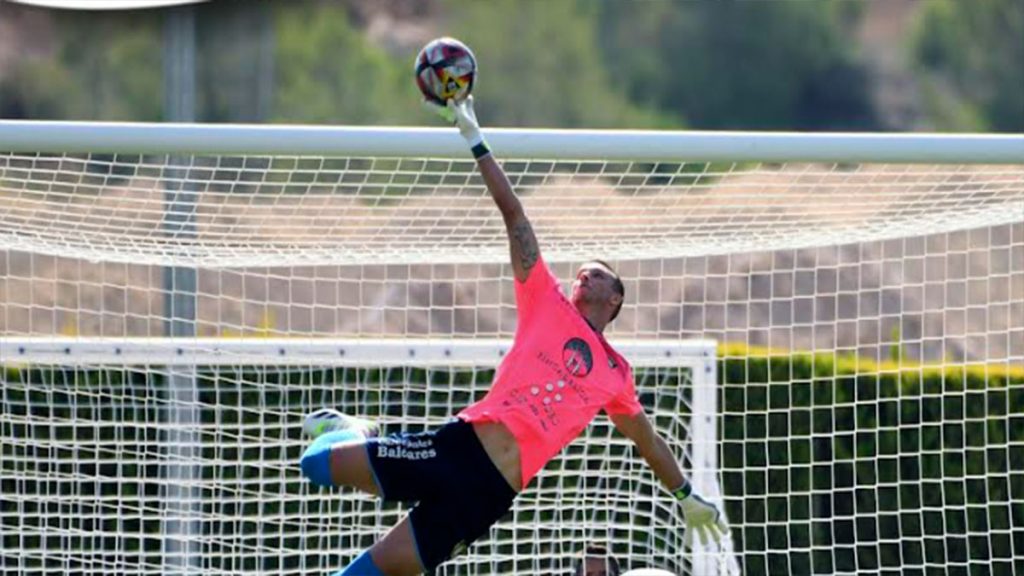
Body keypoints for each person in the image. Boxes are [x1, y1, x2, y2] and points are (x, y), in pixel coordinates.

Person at [298, 96, 729, 576]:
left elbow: (648, 442)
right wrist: (475, 139)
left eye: (598, 275)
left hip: (488, 493)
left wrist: (686, 496)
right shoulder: (545, 300)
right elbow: (516, 218)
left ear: (616, 301)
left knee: (363, 575)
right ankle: (359, 430)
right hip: (454, 449)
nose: (584, 276)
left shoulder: (615, 375)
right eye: (581, 272)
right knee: (315, 465)